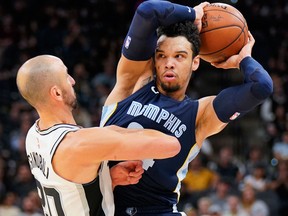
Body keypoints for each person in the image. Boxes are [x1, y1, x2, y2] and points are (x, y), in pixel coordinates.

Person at [100, 0, 273, 215]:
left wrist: (242, 60)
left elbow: (262, 86)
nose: (169, 63)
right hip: (102, 206)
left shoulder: (200, 115)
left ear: (195, 62)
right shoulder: (131, 84)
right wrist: (194, 13)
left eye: (179, 56)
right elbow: (147, 11)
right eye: (161, 55)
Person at [16, 54, 181, 216]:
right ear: (57, 93)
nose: (72, 80)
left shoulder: (34, 136)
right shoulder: (77, 144)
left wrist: (108, 179)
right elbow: (170, 146)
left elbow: (68, 188)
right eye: (66, 76)